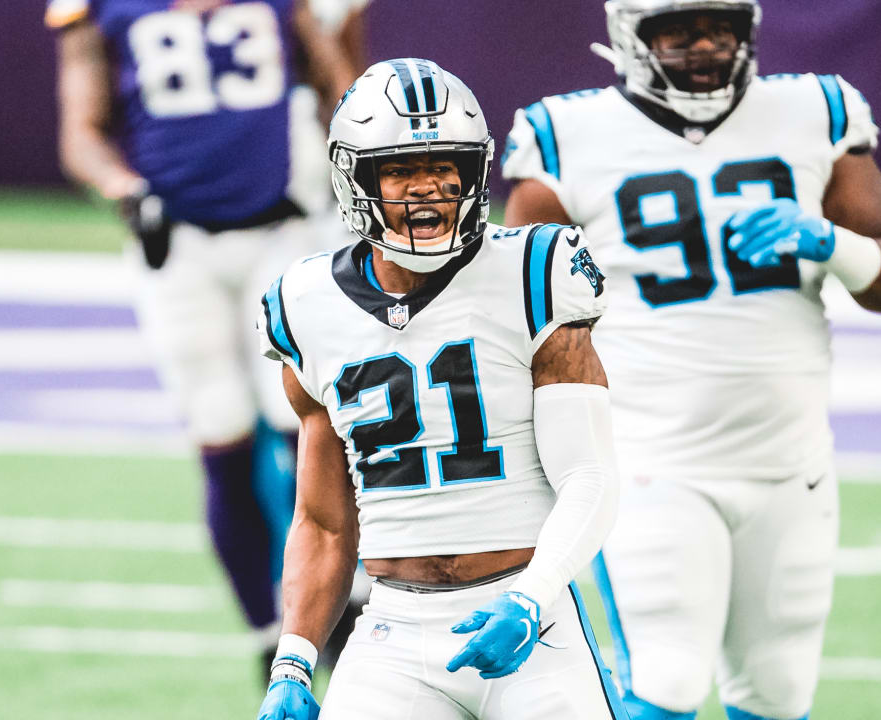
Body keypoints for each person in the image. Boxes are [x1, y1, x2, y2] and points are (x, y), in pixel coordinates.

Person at [502, 2, 881, 719]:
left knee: (777, 695)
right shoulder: (567, 137)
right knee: (664, 683)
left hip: (791, 464)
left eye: (720, 27)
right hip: (648, 460)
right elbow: (515, 316)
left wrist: (831, 242)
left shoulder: (811, 112)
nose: (705, 47)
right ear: (630, 36)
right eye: (679, 31)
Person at [254, 59, 626, 720]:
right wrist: (294, 658)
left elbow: (591, 477)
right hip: (393, 630)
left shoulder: (534, 272)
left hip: (530, 621)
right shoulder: (305, 305)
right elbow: (323, 521)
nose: (427, 189)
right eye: (400, 169)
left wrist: (532, 598)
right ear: (356, 178)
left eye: (443, 167)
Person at [46, 0, 356, 676]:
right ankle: (266, 629)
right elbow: (83, 134)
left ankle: (347, 598)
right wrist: (126, 189)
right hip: (178, 246)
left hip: (283, 227)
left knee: (308, 421)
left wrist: (351, 169)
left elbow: (343, 89)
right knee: (222, 435)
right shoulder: (104, 11)